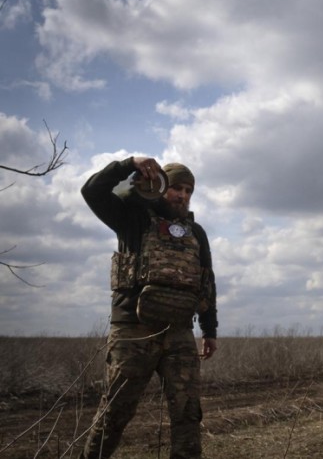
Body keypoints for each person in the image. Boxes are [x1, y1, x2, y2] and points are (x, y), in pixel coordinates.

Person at [80, 156, 218, 459]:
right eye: (177, 187)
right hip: (133, 332)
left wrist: (209, 329)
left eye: (188, 190)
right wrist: (130, 164)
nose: (182, 195)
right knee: (115, 412)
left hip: (179, 332)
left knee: (187, 415)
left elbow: (207, 281)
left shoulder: (196, 232)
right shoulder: (133, 217)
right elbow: (91, 191)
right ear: (161, 185)